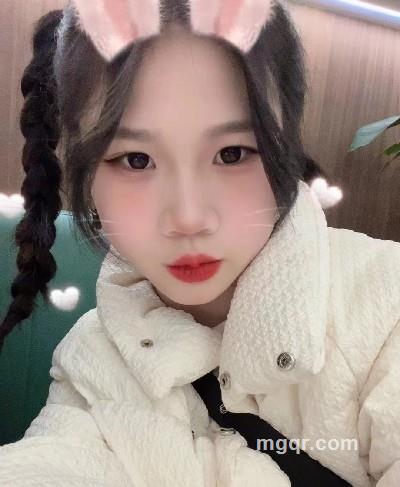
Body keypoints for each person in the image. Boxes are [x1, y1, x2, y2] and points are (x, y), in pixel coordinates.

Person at [0, 1, 399, 485]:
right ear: (85, 174)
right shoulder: (90, 360)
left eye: (232, 154)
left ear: (285, 150)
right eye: (136, 160)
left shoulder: (386, 309)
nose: (188, 218)